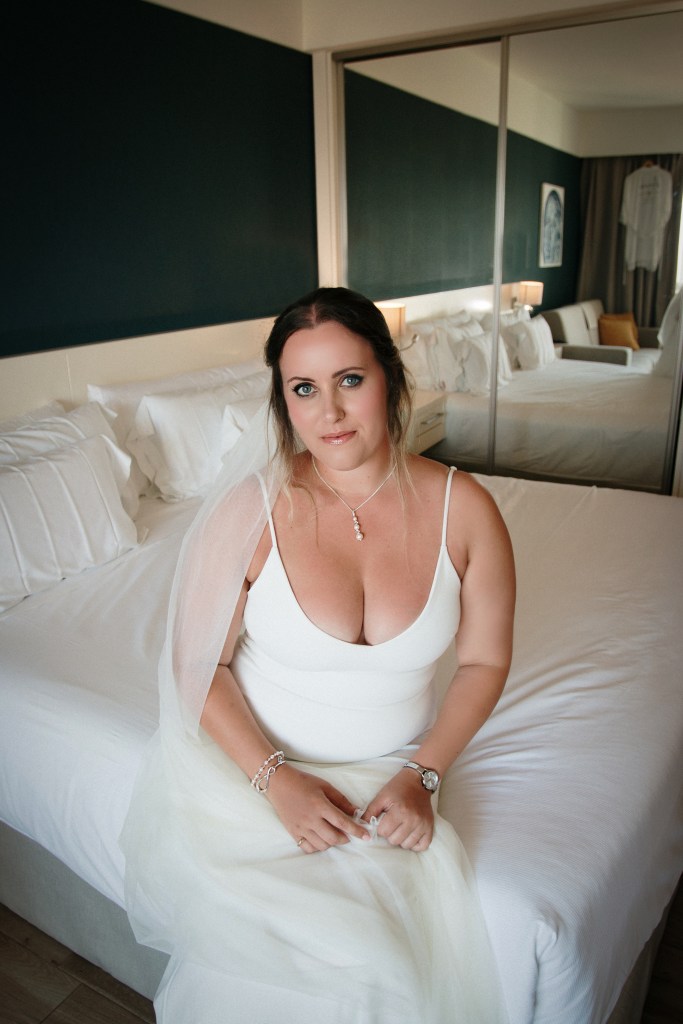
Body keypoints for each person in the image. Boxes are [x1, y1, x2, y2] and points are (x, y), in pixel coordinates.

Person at [122, 287, 515, 1023]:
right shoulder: (250, 511)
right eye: (303, 389)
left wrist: (422, 774)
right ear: (283, 402)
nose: (328, 413)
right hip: (249, 772)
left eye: (349, 381)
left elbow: (483, 662)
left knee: (381, 969)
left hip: (394, 778)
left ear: (390, 379)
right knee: (266, 978)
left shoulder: (467, 510)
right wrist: (276, 783)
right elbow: (195, 666)